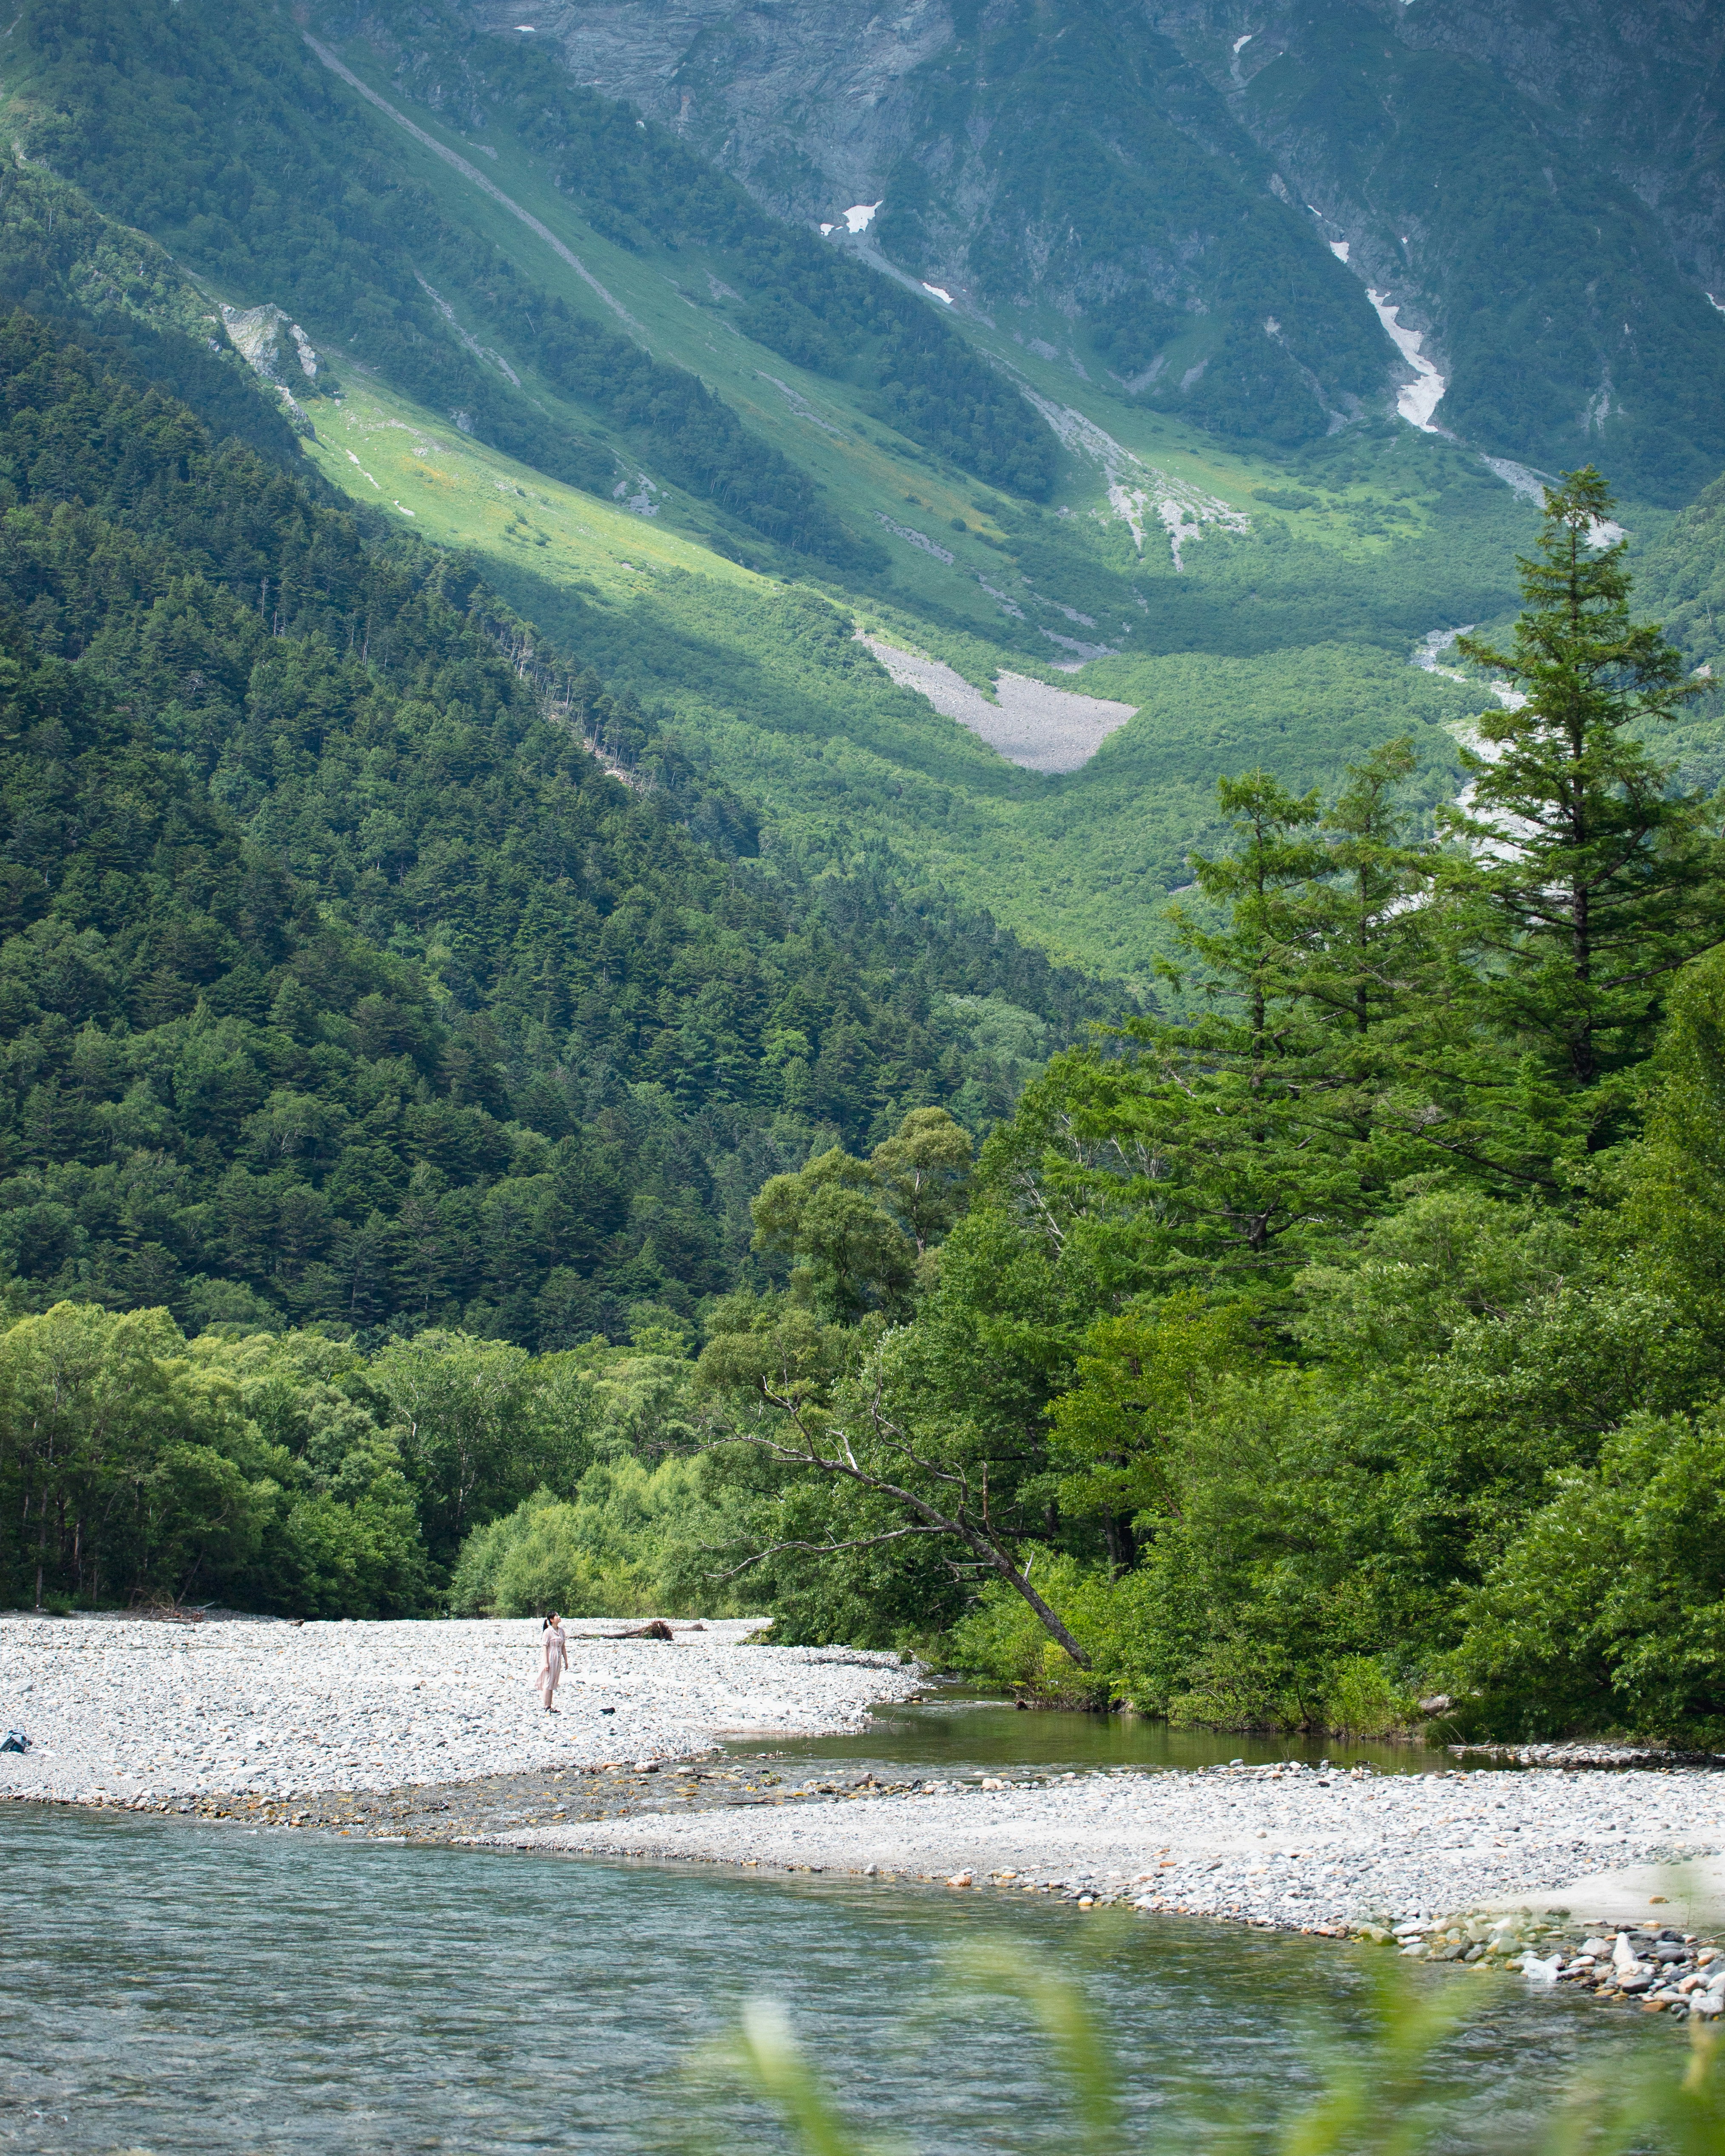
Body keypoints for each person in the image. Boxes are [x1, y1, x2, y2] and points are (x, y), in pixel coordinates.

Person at [535, 1613, 568, 1712]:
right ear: (552, 1619)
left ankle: (550, 1705)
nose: (559, 1617)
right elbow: (545, 1647)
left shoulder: (561, 1631)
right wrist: (546, 1662)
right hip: (550, 1658)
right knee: (548, 1682)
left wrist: (566, 1661)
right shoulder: (548, 1632)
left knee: (553, 1682)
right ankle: (546, 1706)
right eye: (557, 1616)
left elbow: (563, 1647)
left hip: (558, 1659)